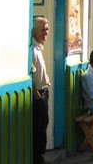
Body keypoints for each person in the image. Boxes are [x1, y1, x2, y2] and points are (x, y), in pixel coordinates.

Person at [32, 17, 51, 164]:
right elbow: (30, 73)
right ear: (35, 31)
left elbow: (39, 70)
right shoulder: (32, 50)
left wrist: (47, 79)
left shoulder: (39, 47)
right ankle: (38, 157)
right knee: (39, 126)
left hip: (44, 91)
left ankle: (40, 155)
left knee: (43, 123)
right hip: (38, 94)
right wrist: (35, 93)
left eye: (47, 29)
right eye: (42, 29)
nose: (46, 32)